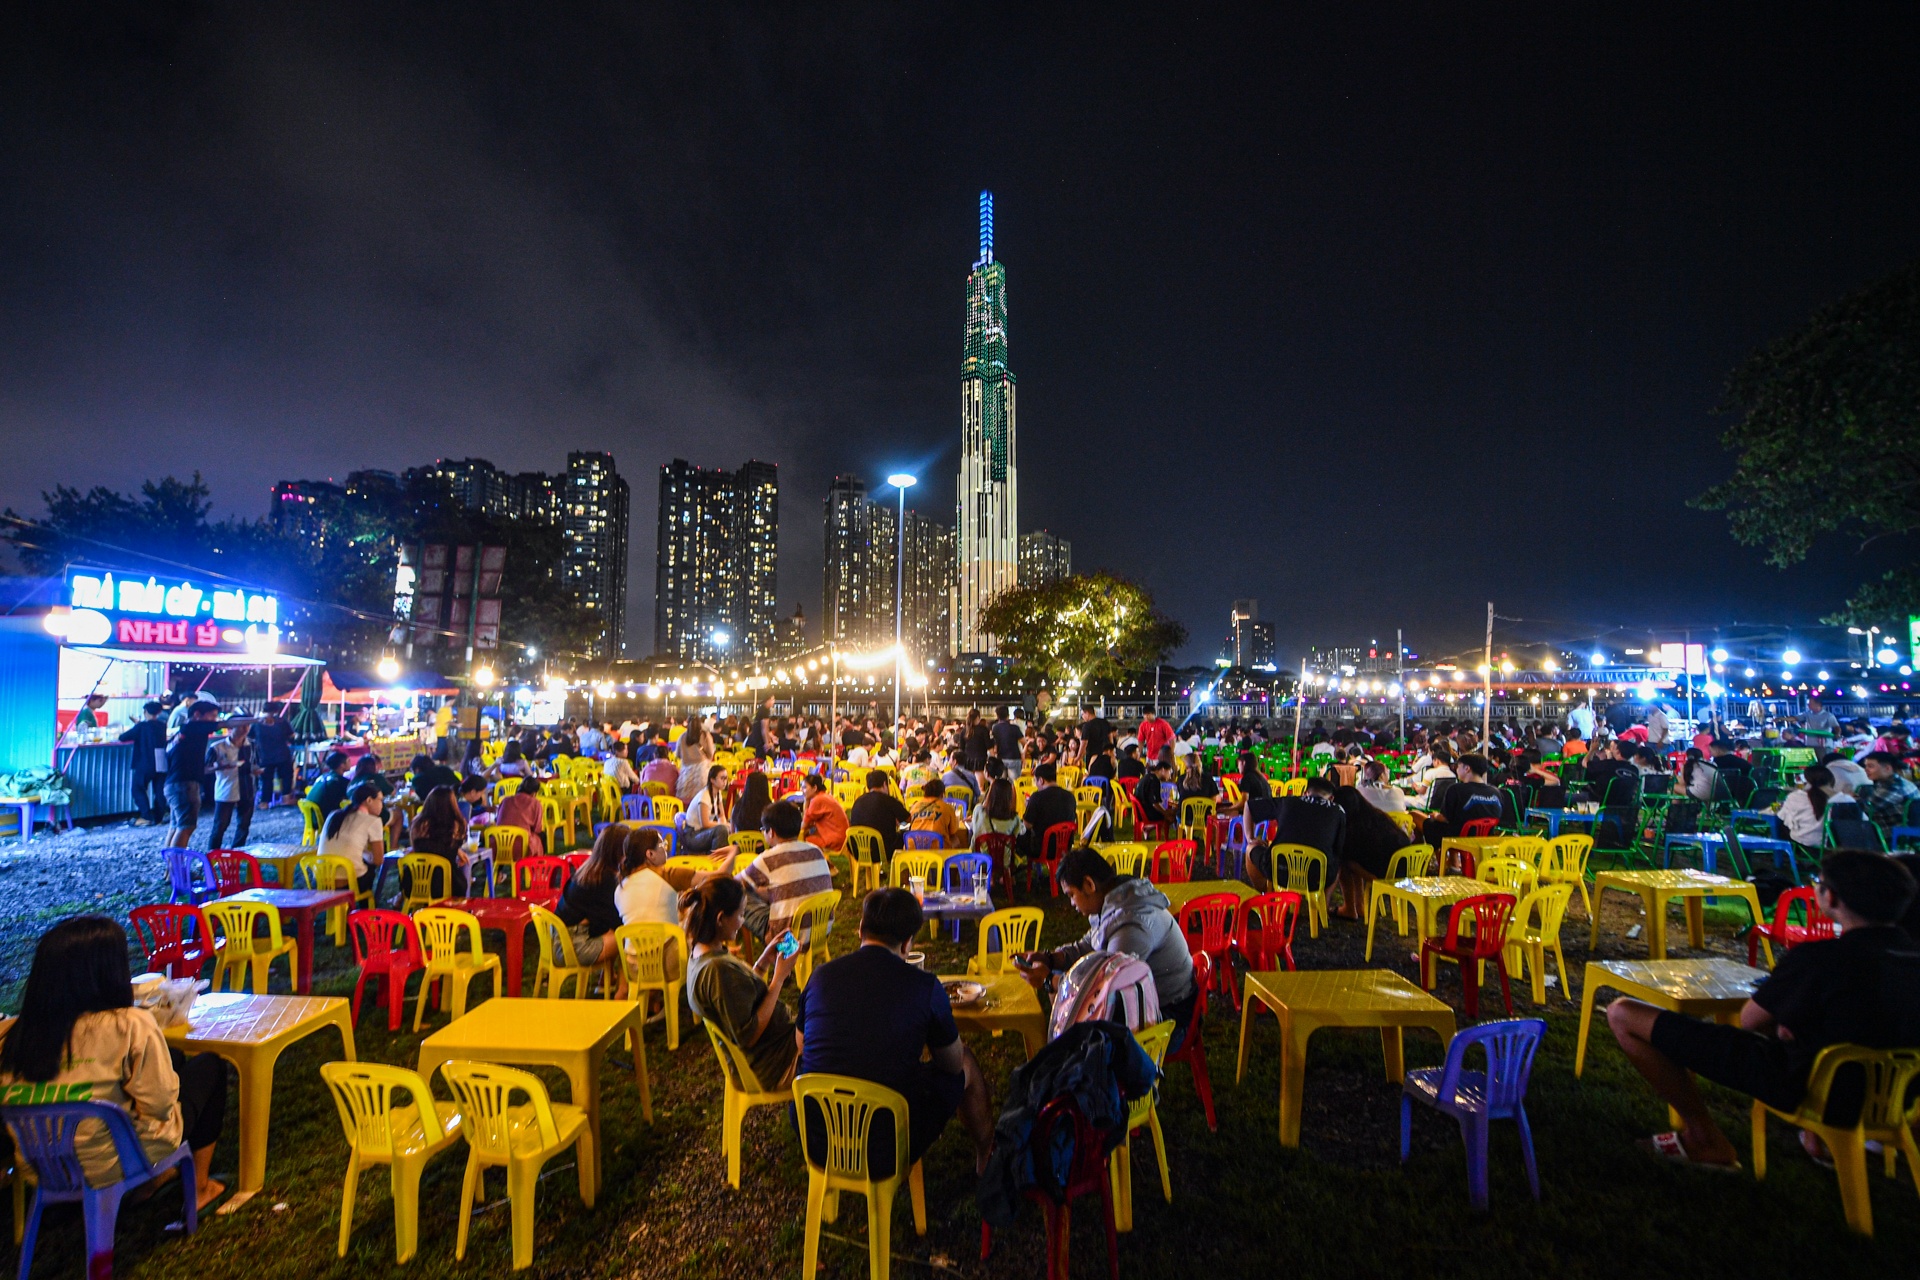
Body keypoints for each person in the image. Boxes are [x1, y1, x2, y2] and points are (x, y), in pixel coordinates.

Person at [1605, 850, 1919, 1168]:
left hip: (1809, 1087)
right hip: (1895, 1100)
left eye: (1818, 883)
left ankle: (1702, 1137)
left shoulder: (1821, 958)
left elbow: (1748, 1021)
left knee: (1625, 1014)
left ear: (1831, 897)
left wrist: (1783, 1024)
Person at [0, 916, 230, 1211]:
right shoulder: (129, 1024)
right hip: (116, 1161)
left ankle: (154, 1181)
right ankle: (198, 1187)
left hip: (41, 1166)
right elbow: (159, 1106)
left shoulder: (11, 1034)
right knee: (209, 1066)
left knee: (171, 1059)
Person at [796, 888, 994, 1173]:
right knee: (965, 1060)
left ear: (860, 929)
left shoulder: (820, 976)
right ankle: (987, 1152)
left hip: (817, 1136)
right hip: (886, 1145)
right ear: (907, 944)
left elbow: (802, 1045)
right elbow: (951, 1065)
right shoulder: (925, 987)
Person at [1015, 846, 1197, 1048]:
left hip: (1168, 1018)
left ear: (1089, 884)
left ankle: (1071, 1057)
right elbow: (1089, 946)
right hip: (1144, 1001)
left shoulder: (1131, 922)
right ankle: (1066, 1047)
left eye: (1071, 895)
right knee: (1063, 978)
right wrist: (1049, 958)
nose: (1071, 903)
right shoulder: (1114, 902)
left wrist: (1049, 980)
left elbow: (1106, 986)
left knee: (1083, 1020)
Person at [684, 877, 802, 1087]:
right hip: (776, 1062)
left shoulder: (700, 953)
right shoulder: (717, 971)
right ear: (720, 919)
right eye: (740, 914)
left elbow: (740, 999)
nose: (742, 920)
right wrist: (779, 978)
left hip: (776, 1047)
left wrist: (764, 962)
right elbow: (749, 1035)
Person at [738, 799, 836, 945]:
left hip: (787, 942)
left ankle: (732, 943)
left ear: (771, 832)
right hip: (820, 931)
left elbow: (732, 883)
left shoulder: (768, 858)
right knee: (759, 891)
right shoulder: (816, 851)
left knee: (740, 894)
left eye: (763, 829)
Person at [553, 825, 630, 982]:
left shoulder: (589, 870)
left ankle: (606, 979)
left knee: (613, 930)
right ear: (620, 852)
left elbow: (601, 918)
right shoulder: (606, 880)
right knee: (629, 936)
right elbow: (619, 920)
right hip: (574, 948)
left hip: (559, 941)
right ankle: (624, 991)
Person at [1248, 775, 1347, 895]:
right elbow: (1339, 849)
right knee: (1337, 863)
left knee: (1250, 848)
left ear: (1305, 793)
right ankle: (1322, 907)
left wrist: (1250, 838)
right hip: (1317, 878)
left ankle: (1263, 895)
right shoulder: (1338, 811)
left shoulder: (1288, 801)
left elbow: (1249, 806)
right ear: (1331, 798)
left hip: (1278, 870)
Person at [1331, 784, 1413, 918]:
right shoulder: (1377, 816)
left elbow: (1346, 853)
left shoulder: (1353, 826)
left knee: (1345, 862)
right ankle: (1359, 905)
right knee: (1352, 860)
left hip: (1387, 875)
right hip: (1407, 870)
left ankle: (1350, 908)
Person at [162, 700, 223, 850]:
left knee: (176, 826)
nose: (215, 720)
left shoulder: (181, 732)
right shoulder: (194, 727)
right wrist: (258, 720)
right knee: (185, 827)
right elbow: (226, 725)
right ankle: (175, 870)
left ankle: (171, 870)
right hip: (185, 785)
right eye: (212, 716)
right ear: (197, 715)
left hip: (173, 783)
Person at [1419, 754, 1501, 849]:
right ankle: (1454, 861)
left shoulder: (1456, 789)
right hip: (1485, 838)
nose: (1456, 769)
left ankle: (1440, 860)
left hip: (1458, 837)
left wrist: (1435, 815)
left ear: (1467, 768)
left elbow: (1445, 818)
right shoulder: (1496, 792)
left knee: (1419, 817)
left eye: (1458, 766)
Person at [319, 782, 388, 894]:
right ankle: (365, 907)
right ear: (369, 800)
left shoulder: (334, 815)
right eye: (380, 800)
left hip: (322, 879)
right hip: (348, 882)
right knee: (370, 868)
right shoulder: (373, 821)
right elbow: (379, 860)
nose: (382, 805)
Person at [205, 718, 257, 849]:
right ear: (231, 727)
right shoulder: (217, 747)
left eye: (247, 726)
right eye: (240, 726)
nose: (245, 729)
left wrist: (257, 770)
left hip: (247, 789)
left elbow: (257, 764)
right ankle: (212, 856)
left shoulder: (252, 745)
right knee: (220, 826)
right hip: (226, 790)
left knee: (244, 825)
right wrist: (218, 767)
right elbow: (205, 769)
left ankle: (237, 854)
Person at [118, 700, 168, 826]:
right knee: (159, 790)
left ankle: (146, 815)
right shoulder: (162, 725)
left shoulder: (141, 727)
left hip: (145, 762)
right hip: (161, 760)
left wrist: (137, 725)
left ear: (145, 712)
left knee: (138, 788)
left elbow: (123, 737)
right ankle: (159, 817)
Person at [1018, 762, 1078, 862]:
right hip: (1065, 847)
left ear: (1041, 780)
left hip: (1042, 849)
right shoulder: (1070, 796)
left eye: (1036, 781)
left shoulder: (1037, 797)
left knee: (1018, 834)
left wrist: (1029, 807)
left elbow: (1026, 825)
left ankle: (1013, 866)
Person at [848, 769, 913, 855]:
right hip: (883, 850)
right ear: (885, 784)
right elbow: (909, 819)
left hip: (857, 850)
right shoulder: (890, 801)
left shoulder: (858, 801)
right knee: (907, 834)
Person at [681, 764, 737, 855]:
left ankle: (723, 858)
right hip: (692, 835)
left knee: (732, 824)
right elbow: (705, 823)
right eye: (722, 778)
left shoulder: (718, 793)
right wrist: (725, 825)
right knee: (721, 829)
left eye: (726, 778)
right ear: (712, 780)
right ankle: (715, 860)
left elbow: (721, 815)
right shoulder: (704, 796)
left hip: (702, 832)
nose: (725, 782)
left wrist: (727, 826)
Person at [493, 776, 547, 856]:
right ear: (534, 793)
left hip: (498, 844)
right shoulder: (535, 803)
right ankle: (539, 863)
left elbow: (497, 820)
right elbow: (537, 829)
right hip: (521, 845)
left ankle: (500, 866)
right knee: (542, 836)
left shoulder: (505, 800)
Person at [909, 778, 968, 848]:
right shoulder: (947, 807)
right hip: (937, 848)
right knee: (956, 840)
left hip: (912, 847)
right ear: (942, 794)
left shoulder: (915, 806)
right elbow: (953, 831)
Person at [799, 772, 848, 853]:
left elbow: (803, 826)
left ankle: (813, 864)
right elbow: (808, 819)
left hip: (834, 841)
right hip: (841, 838)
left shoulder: (818, 800)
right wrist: (807, 799)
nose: (802, 790)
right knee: (811, 834)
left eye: (804, 787)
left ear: (814, 788)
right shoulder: (824, 796)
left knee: (803, 840)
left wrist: (806, 800)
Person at [306, 751, 352, 816]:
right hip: (325, 819)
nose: (350, 763)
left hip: (311, 817)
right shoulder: (341, 781)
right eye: (348, 761)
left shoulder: (322, 776)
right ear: (342, 765)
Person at [991, 707, 1023, 778]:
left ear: (997, 716)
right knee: (1014, 783)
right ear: (1008, 715)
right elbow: (1023, 742)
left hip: (1000, 758)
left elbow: (994, 743)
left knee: (1002, 783)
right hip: (1014, 758)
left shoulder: (995, 728)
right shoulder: (1015, 728)